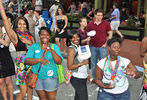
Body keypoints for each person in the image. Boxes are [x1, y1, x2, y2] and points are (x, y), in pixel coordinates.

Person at [0, 1, 35, 100]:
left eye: (24, 24)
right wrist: (1, 6)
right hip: (21, 64)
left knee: (30, 88)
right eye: (19, 24)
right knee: (23, 91)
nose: (22, 26)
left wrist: (30, 43)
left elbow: (36, 49)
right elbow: (5, 21)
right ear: (16, 25)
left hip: (31, 63)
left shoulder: (30, 36)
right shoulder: (15, 36)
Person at [24, 27, 63, 100]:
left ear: (49, 36)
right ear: (39, 35)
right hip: (37, 77)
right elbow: (26, 60)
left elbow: (59, 61)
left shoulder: (54, 47)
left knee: (51, 98)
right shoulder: (34, 46)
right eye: (42, 34)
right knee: (42, 98)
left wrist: (51, 51)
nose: (44, 37)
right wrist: (39, 60)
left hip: (51, 77)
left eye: (47, 35)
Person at [86, 8, 113, 83]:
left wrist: (106, 43)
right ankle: (95, 78)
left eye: (101, 15)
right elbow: (87, 34)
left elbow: (110, 33)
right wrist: (88, 43)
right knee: (94, 63)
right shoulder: (90, 24)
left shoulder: (106, 23)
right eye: (98, 15)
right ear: (95, 15)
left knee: (103, 64)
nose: (100, 17)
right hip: (92, 47)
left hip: (102, 47)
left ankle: (103, 78)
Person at [67, 29, 89, 100]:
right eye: (73, 37)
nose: (75, 39)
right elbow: (70, 66)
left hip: (83, 76)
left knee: (78, 97)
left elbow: (85, 62)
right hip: (77, 77)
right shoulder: (72, 49)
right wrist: (82, 63)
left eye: (77, 37)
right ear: (70, 39)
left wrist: (87, 74)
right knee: (83, 98)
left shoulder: (79, 46)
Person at [0, 17, 15, 100]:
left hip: (7, 60)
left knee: (8, 81)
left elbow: (6, 44)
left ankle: (11, 98)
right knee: (1, 82)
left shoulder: (6, 35)